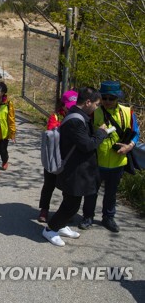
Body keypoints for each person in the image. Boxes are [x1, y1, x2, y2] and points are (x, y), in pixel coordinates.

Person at [42, 87, 108, 247]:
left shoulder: (77, 117)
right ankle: (50, 229)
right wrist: (101, 133)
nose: (97, 107)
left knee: (70, 201)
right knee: (72, 205)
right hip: (74, 171)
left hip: (78, 169)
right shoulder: (75, 120)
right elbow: (87, 145)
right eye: (97, 104)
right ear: (88, 102)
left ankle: (61, 225)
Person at [79, 81, 140, 232]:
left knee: (111, 193)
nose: (107, 101)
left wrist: (129, 146)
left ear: (117, 98)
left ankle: (108, 218)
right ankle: (88, 216)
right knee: (91, 191)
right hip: (97, 160)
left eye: (111, 98)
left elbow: (136, 133)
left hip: (118, 161)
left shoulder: (128, 112)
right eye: (104, 98)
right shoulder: (94, 111)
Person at [38, 90, 78, 223]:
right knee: (49, 184)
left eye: (74, 105)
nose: (71, 108)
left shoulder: (79, 117)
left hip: (70, 158)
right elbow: (52, 132)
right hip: (54, 157)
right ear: (63, 105)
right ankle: (44, 208)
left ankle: (65, 212)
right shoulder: (55, 117)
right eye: (69, 105)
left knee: (67, 188)